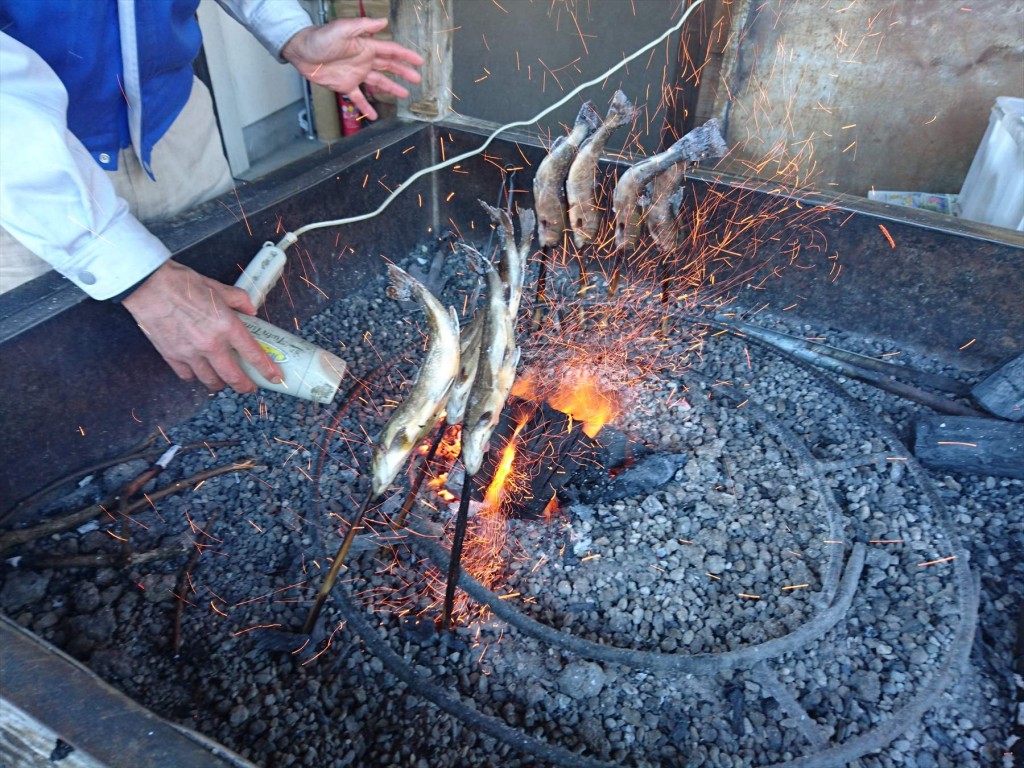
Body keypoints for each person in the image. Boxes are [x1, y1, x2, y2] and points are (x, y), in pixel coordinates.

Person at [0, 0, 423, 394]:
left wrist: (289, 30)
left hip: (171, 121)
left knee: (228, 316)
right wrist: (130, 273)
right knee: (58, 376)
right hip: (22, 180)